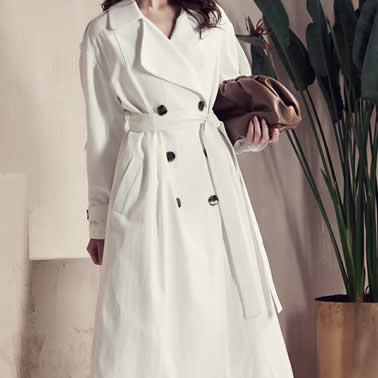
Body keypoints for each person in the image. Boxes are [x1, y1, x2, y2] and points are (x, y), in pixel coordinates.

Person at [79, 0, 294, 377]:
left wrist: (253, 137)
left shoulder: (210, 19)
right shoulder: (105, 32)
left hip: (211, 178)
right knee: (144, 315)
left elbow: (235, 102)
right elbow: (102, 136)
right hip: (147, 184)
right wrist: (99, 223)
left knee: (222, 308)